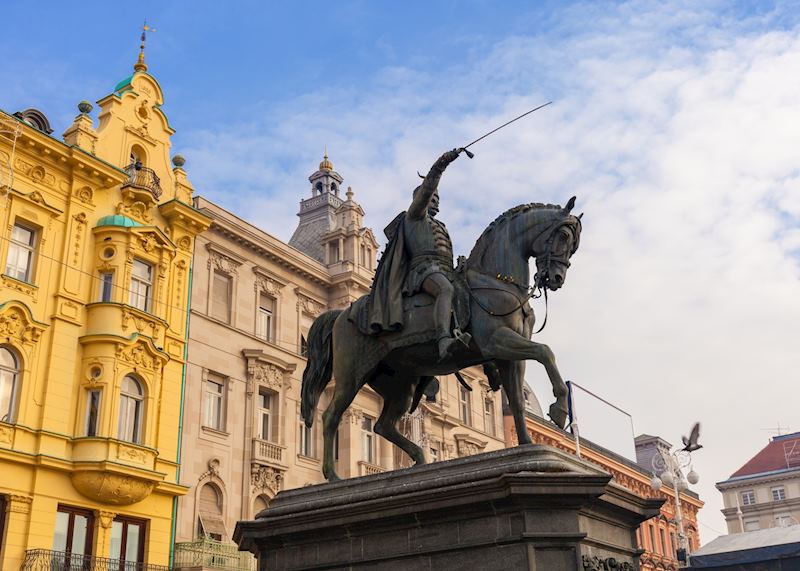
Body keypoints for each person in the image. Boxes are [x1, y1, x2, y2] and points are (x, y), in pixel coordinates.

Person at [367, 148, 464, 360]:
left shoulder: (441, 225)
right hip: (422, 271)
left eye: (438, 197)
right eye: (432, 196)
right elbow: (428, 188)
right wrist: (441, 165)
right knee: (445, 290)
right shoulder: (415, 216)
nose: (435, 199)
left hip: (445, 270)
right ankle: (442, 338)